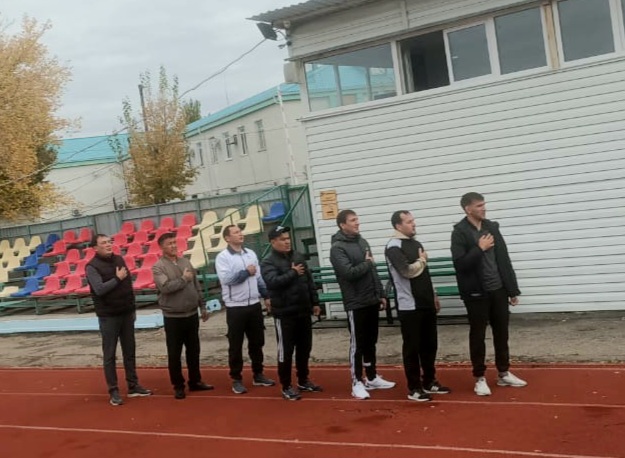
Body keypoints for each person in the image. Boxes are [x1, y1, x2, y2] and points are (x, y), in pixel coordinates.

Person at [451, 192, 527, 396]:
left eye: (484, 204)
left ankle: (504, 373)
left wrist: (512, 289)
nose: (484, 208)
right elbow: (460, 265)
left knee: (502, 333)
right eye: (479, 205)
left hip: (498, 290)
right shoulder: (459, 233)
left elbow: (504, 258)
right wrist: (479, 248)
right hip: (476, 293)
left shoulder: (492, 227)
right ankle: (479, 378)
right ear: (468, 209)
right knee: (478, 335)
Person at [329, 209, 395, 400]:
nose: (357, 223)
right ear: (343, 225)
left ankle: (372, 377)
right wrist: (367, 264)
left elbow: (372, 270)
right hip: (355, 302)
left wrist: (380, 294)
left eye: (357, 219)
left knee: (370, 342)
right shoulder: (337, 248)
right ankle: (356, 381)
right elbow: (348, 273)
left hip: (371, 299)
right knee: (357, 344)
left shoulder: (362, 241)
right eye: (353, 220)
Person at [385, 211, 451, 402]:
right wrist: (422, 260)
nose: (414, 224)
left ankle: (429, 380)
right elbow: (406, 271)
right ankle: (414, 387)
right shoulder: (393, 246)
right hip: (409, 305)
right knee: (412, 348)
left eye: (413, 220)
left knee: (430, 345)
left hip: (426, 302)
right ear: (398, 226)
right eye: (409, 222)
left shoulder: (416, 244)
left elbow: (424, 273)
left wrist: (434, 295)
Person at [86, 234, 152, 406]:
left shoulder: (119, 260)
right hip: (108, 316)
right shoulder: (91, 267)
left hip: (126, 313)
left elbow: (127, 285)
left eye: (109, 242)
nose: (108, 245)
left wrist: (132, 308)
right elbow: (99, 289)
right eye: (104, 243)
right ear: (95, 248)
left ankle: (133, 385)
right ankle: (113, 390)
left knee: (129, 351)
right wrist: (117, 278)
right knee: (110, 354)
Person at [260, 226, 323, 401]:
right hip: (284, 314)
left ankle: (303, 379)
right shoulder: (268, 262)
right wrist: (293, 273)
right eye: (282, 239)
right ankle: (286, 385)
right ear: (273, 242)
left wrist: (315, 302)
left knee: (304, 348)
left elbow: (309, 281)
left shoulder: (298, 256)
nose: (287, 241)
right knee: (286, 351)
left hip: (303, 311)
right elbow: (272, 282)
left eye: (288, 238)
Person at [152, 232, 214, 400]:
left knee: (194, 350)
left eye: (174, 242)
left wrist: (202, 306)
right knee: (174, 353)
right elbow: (165, 288)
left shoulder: (186, 262)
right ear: (162, 247)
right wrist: (183, 279)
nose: (173, 246)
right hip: (173, 317)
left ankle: (195, 380)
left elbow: (196, 285)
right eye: (169, 243)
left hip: (191, 314)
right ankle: (178, 385)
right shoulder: (158, 267)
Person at [215, 224, 275, 394]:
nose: (240, 234)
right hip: (235, 307)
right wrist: (246, 272)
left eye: (240, 231)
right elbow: (227, 279)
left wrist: (266, 296)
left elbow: (259, 277)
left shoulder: (251, 254)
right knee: (235, 344)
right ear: (227, 238)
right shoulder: (223, 257)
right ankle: (236, 378)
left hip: (254, 304)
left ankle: (258, 374)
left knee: (257, 341)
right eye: (235, 232)